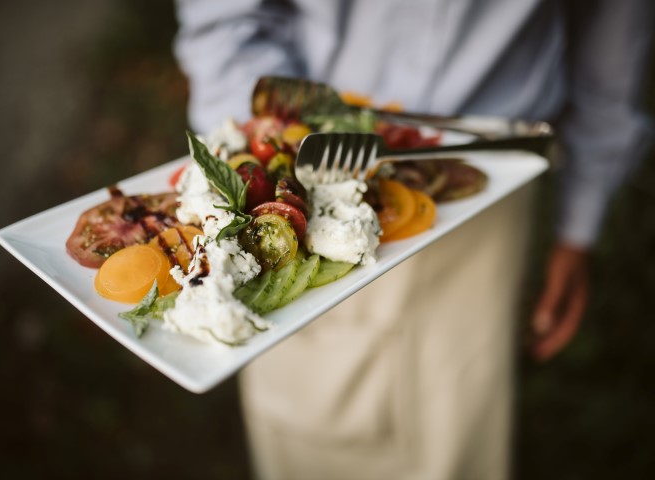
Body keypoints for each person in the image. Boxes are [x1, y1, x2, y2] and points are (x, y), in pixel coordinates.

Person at [173, 1, 653, 478]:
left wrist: (580, 222)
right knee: (316, 432)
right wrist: (268, 155)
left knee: (461, 428)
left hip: (489, 193)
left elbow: (612, 34)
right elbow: (225, 19)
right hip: (311, 178)